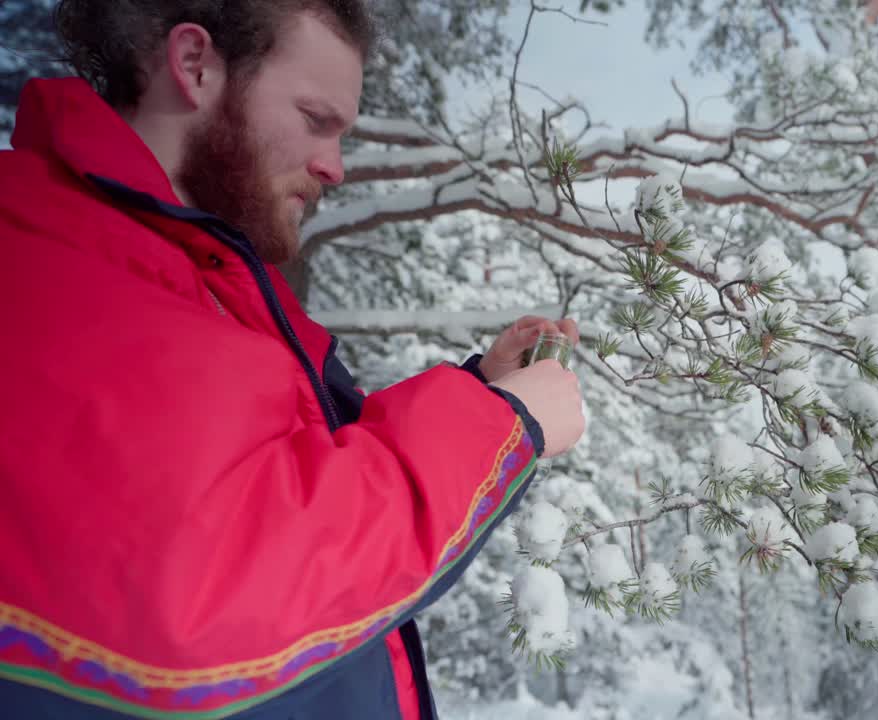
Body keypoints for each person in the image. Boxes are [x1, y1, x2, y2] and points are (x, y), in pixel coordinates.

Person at [0, 1, 586, 718]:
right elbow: (215, 596)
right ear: (194, 65)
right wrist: (503, 423)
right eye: (316, 119)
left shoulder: (204, 275)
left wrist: (483, 387)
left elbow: (298, 472)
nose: (335, 168)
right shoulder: (43, 259)